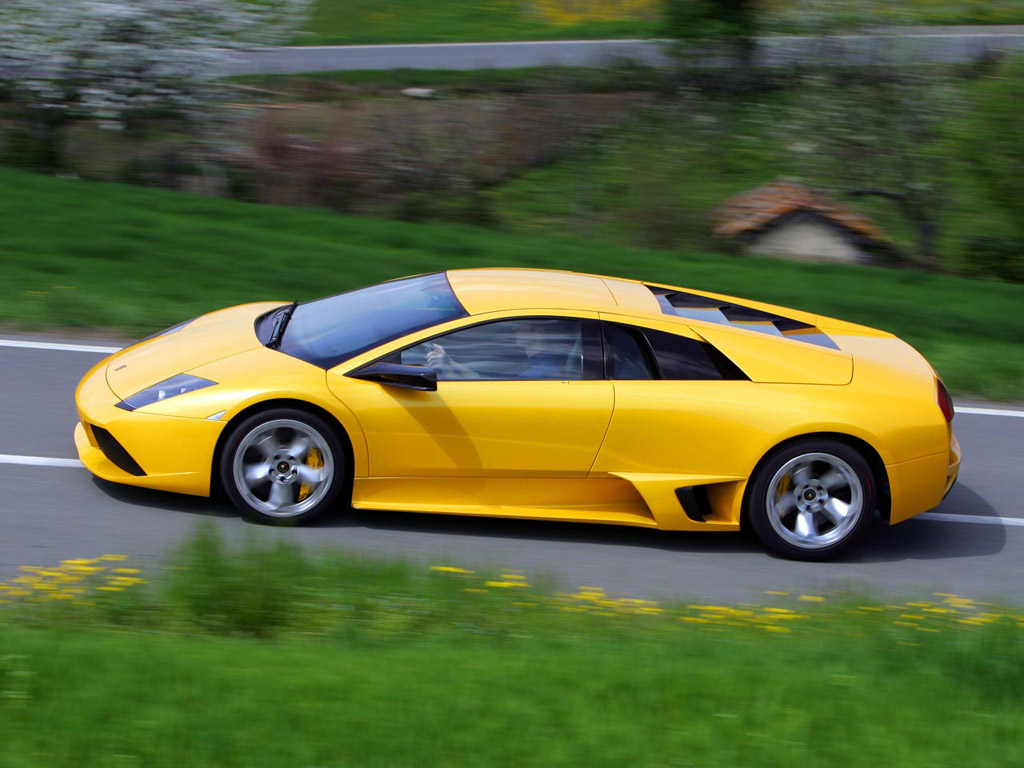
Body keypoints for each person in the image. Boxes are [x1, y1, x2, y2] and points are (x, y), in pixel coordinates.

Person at [425, 320, 570, 380]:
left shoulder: (540, 370)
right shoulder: (531, 363)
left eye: (521, 328)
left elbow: (485, 393)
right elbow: (480, 380)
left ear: (538, 332)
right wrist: (450, 361)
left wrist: (448, 370)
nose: (515, 330)